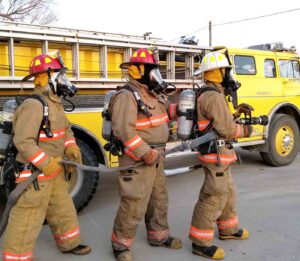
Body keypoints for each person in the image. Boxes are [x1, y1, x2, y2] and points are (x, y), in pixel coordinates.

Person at [2, 51, 91, 261]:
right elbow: (23, 141)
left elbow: (66, 130)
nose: (64, 81)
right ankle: (17, 258)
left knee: (63, 209)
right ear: (45, 77)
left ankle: (70, 243)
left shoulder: (55, 103)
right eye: (59, 76)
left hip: (55, 172)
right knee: (27, 217)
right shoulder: (34, 105)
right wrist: (46, 163)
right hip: (35, 176)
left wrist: (71, 149)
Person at [109, 48, 182, 261]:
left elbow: (164, 113)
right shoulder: (126, 95)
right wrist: (144, 152)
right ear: (140, 71)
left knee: (158, 199)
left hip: (157, 157)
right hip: (138, 159)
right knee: (134, 201)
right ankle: (120, 245)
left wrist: (187, 107)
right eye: (152, 71)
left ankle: (159, 236)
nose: (155, 76)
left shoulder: (151, 94)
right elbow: (124, 130)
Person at [189, 51, 253, 260]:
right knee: (213, 197)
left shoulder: (209, 94)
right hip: (215, 154)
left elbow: (216, 121)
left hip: (218, 154)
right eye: (225, 70)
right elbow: (225, 129)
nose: (228, 74)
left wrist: (235, 113)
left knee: (228, 193)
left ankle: (228, 230)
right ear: (218, 71)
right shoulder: (214, 96)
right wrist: (246, 130)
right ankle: (200, 243)